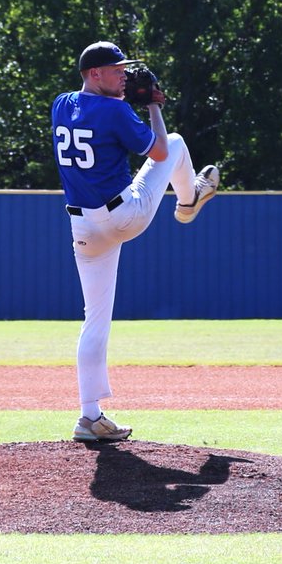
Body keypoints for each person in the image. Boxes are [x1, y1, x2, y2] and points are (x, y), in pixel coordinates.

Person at [52, 41, 219, 442]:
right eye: (116, 69)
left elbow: (92, 117)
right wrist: (154, 107)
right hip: (123, 215)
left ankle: (89, 418)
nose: (124, 75)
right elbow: (159, 151)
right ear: (94, 74)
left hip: (84, 227)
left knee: (94, 320)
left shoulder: (61, 104)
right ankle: (188, 200)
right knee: (175, 143)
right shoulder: (114, 110)